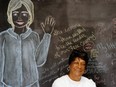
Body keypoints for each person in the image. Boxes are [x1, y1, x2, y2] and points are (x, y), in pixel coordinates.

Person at [0, 0, 55, 87]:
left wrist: (47, 36)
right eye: (15, 14)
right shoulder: (3, 37)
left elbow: (39, 61)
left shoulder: (33, 36)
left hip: (31, 84)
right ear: (10, 15)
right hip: (8, 85)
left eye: (24, 14)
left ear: (30, 16)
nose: (19, 18)